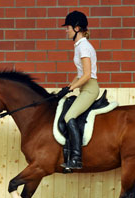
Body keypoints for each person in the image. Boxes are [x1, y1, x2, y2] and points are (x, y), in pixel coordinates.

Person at [57, 11, 100, 169]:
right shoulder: (80, 46)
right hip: (84, 87)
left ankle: (76, 157)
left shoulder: (83, 47)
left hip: (89, 89)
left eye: (67, 27)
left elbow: (87, 75)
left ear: (76, 28)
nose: (66, 30)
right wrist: (67, 88)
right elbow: (80, 74)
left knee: (69, 116)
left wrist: (73, 87)